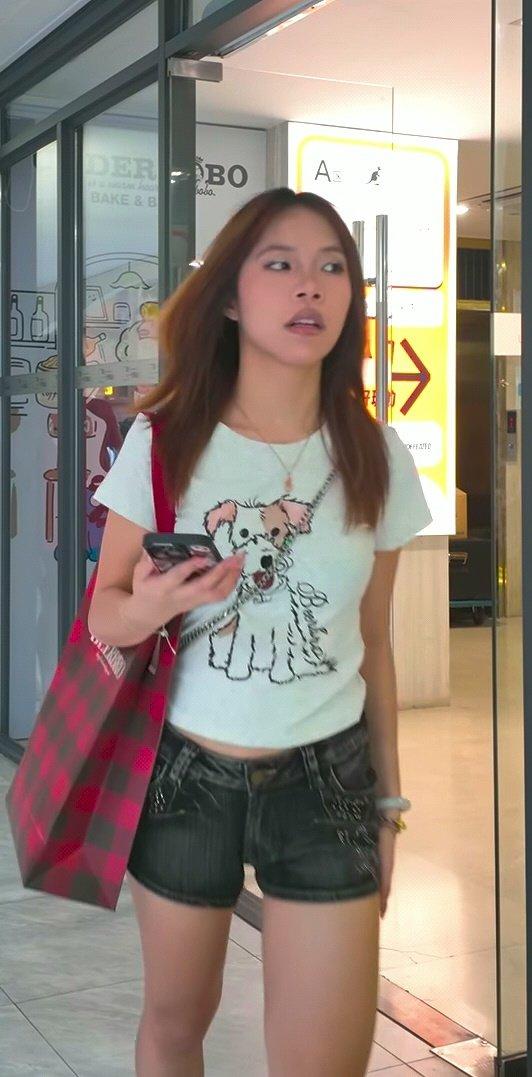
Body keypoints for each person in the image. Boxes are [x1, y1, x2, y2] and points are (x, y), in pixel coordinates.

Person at [89, 187, 432, 1077]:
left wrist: (389, 803)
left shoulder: (375, 455)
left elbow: (374, 642)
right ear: (233, 298)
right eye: (280, 264)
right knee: (175, 1024)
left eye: (331, 268)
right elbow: (105, 613)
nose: (309, 286)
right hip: (186, 775)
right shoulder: (166, 442)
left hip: (327, 782)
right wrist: (158, 602)